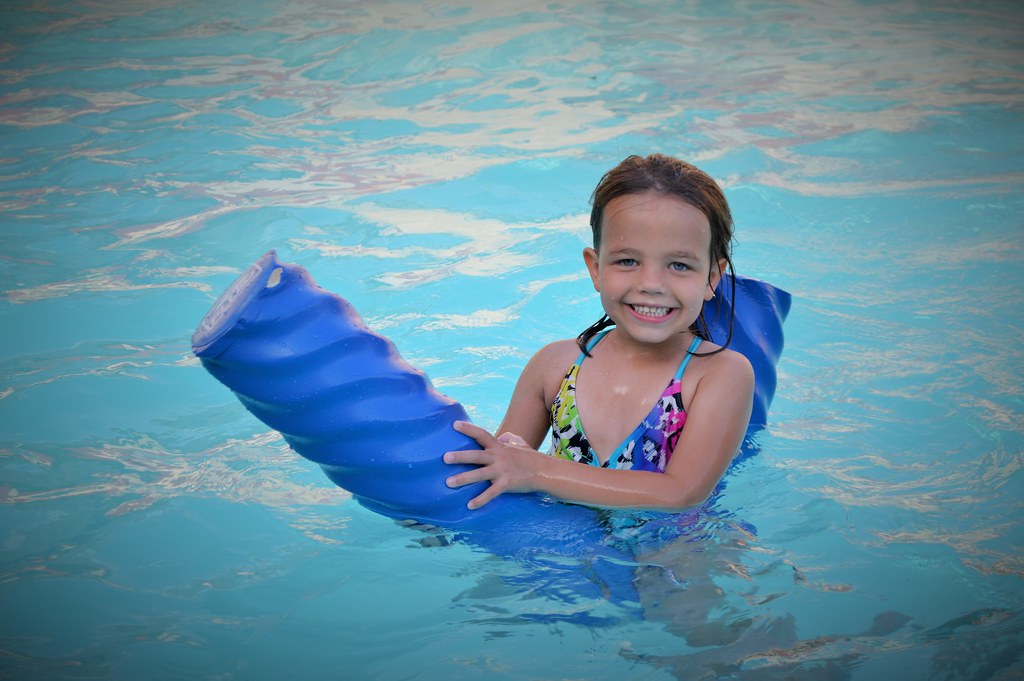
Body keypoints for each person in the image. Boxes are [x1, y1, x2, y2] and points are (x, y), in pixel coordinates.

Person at [443, 153, 754, 512]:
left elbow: (680, 493)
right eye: (628, 261)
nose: (651, 284)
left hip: (668, 554)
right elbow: (501, 470)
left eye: (679, 265)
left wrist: (540, 471)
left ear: (712, 278)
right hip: (561, 548)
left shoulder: (719, 374)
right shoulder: (554, 366)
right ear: (595, 268)